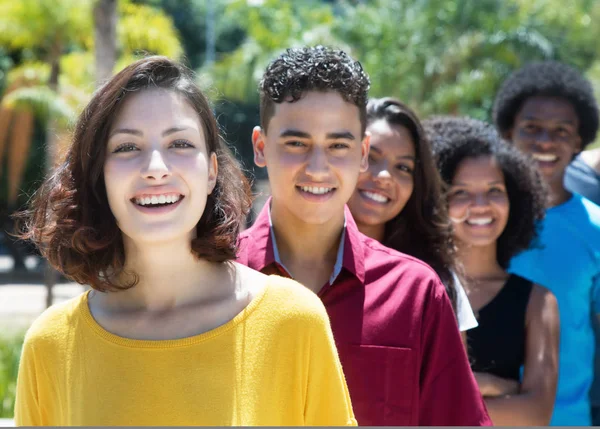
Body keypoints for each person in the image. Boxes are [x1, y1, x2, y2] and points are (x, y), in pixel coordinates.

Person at [13, 56, 356, 426]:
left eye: (179, 143)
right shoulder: (50, 345)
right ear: (100, 177)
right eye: (127, 148)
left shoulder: (294, 321)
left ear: (210, 172)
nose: (156, 168)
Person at [236, 45, 491, 426]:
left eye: (338, 145)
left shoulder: (416, 293)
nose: (318, 168)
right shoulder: (214, 278)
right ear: (261, 147)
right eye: (296, 143)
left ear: (362, 153)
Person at [425, 115, 559, 425]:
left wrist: (448, 398)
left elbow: (536, 415)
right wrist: (492, 386)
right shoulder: (418, 286)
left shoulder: (538, 301)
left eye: (494, 190)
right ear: (437, 201)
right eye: (461, 193)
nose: (481, 204)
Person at [493, 60, 600, 425]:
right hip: (482, 414)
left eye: (561, 131)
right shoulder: (482, 216)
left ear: (579, 140)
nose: (545, 141)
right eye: (532, 128)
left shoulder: (595, 229)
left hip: (569, 419)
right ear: (507, 132)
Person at [346, 97, 477, 340]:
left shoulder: (436, 280)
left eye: (403, 168)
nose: (385, 176)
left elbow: (450, 377)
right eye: (370, 158)